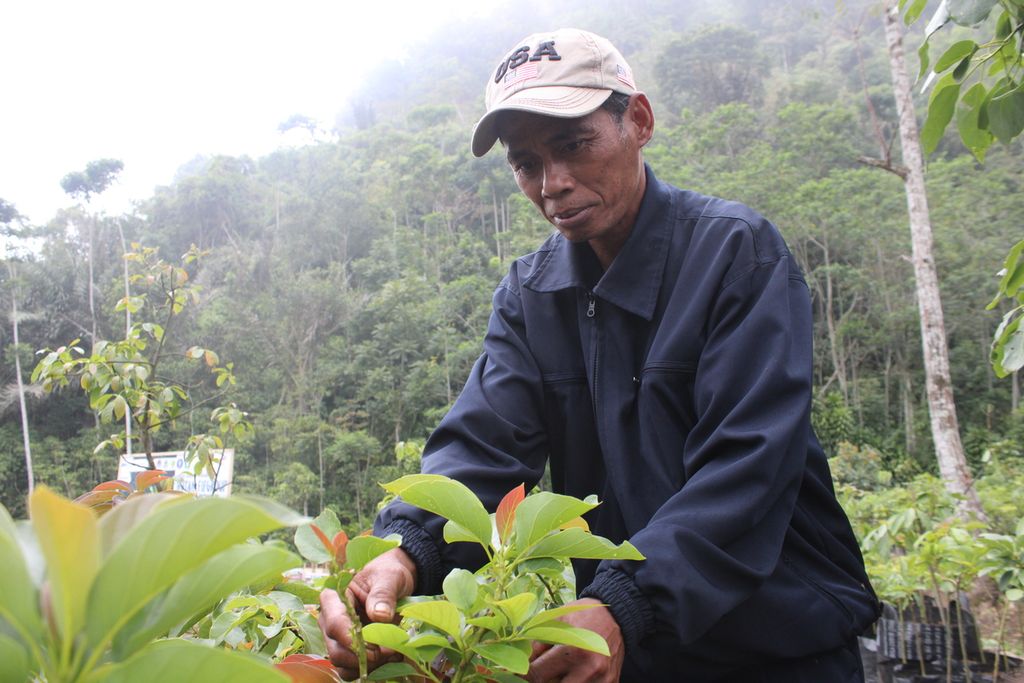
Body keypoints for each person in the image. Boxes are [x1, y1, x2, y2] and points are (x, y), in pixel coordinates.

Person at [320, 28, 880, 682]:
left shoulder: (735, 255)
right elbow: (482, 448)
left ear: (637, 121)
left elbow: (749, 464)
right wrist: (403, 552)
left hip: (780, 647)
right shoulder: (531, 296)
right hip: (633, 652)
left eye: (574, 143)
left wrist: (626, 600)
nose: (552, 183)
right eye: (526, 162)